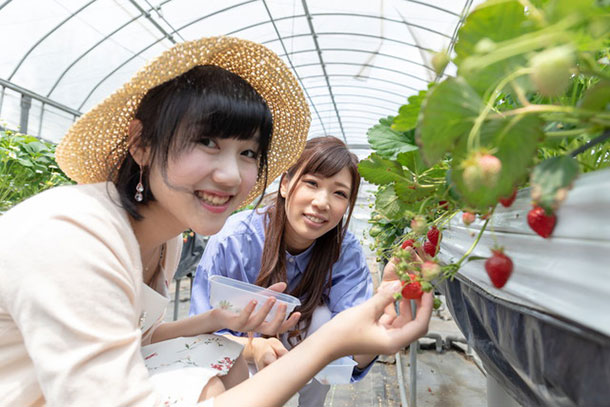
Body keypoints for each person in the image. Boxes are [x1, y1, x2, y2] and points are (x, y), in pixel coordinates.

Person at [0, 36, 433, 407]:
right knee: (210, 371)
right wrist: (329, 341)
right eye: (206, 141)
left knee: (217, 351)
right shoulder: (71, 239)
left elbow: (136, 339)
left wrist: (215, 325)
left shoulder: (159, 241)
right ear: (140, 144)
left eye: (248, 153)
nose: (231, 175)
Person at [190, 136, 376, 405]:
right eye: (312, 183)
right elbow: (200, 336)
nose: (322, 202)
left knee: (324, 319)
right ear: (286, 185)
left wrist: (383, 319)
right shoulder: (234, 239)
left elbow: (354, 335)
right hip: (235, 360)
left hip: (305, 367)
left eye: (339, 193)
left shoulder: (344, 250)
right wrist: (254, 349)